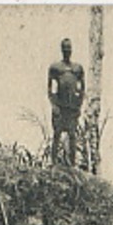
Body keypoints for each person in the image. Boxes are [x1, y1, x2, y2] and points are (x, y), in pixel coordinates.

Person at [47, 38, 85, 167]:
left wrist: (79, 105)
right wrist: (54, 105)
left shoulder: (77, 69)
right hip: (60, 105)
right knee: (57, 134)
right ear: (61, 50)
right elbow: (49, 89)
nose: (67, 51)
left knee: (72, 135)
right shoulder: (56, 68)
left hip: (72, 107)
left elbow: (82, 88)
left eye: (69, 48)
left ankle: (72, 165)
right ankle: (53, 163)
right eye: (65, 48)